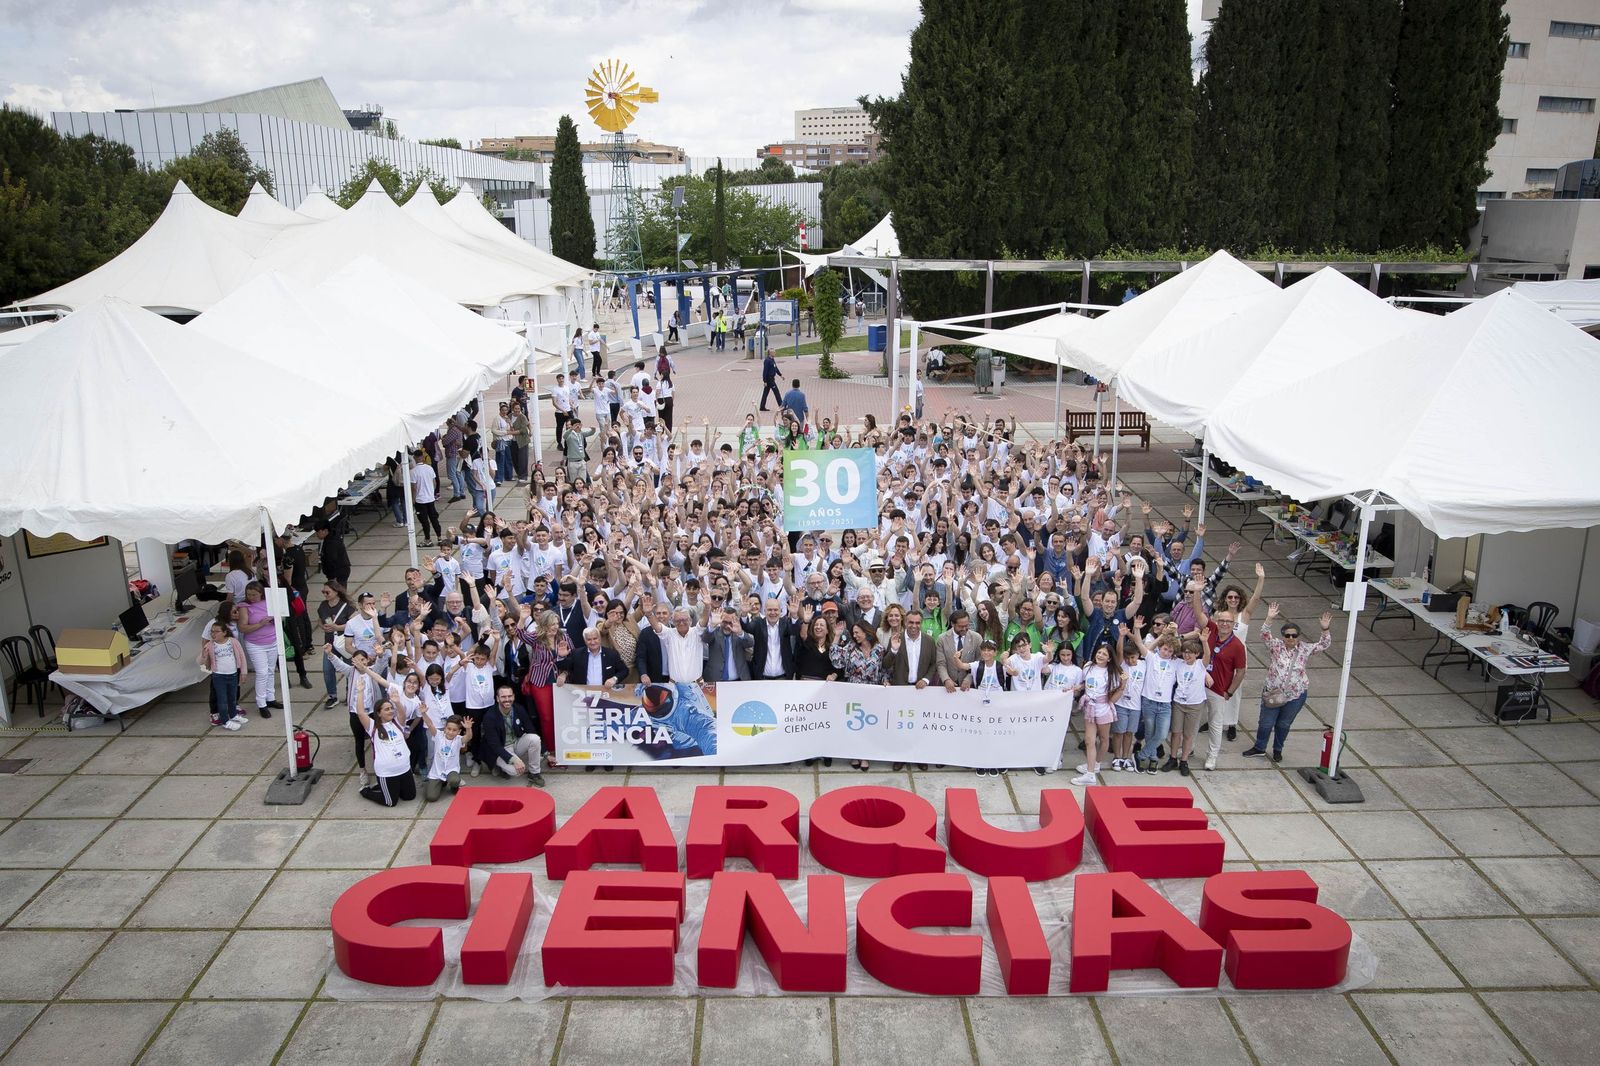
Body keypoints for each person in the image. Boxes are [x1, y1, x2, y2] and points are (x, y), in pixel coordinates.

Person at [1244, 605, 1334, 762]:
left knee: (1283, 725)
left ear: (1299, 636)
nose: (1291, 638)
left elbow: (1324, 644)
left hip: (1295, 695)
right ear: (1283, 636)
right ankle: (1259, 747)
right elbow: (1264, 635)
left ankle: (1277, 750)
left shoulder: (1305, 649)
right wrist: (1269, 618)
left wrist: (1325, 629)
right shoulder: (1276, 646)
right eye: (1287, 635)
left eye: (1294, 635)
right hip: (1273, 692)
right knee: (1266, 723)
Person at [1202, 608, 1247, 771]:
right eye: (1221, 620)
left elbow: (1241, 671)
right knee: (1193, 723)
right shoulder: (1212, 631)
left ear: (1233, 624)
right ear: (1217, 621)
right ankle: (1188, 749)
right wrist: (1198, 592)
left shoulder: (1237, 646)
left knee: (1215, 724)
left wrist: (1230, 691)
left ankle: (1212, 756)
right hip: (1199, 686)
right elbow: (1199, 613)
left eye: (1228, 621)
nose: (1224, 624)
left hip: (1219, 689)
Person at [1075, 643, 1123, 786]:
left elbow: (1112, 699)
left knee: (1103, 739)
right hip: (1089, 708)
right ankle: (1090, 773)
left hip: (1103, 709)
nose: (1100, 656)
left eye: (1104, 654)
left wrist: (1122, 687)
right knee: (1089, 740)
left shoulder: (1111, 673)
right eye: (1099, 652)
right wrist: (1078, 687)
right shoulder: (1088, 666)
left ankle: (1096, 764)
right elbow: (1086, 684)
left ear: (1109, 659)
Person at [357, 697, 418, 807]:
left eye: (391, 708)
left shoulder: (398, 723)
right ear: (378, 713)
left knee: (410, 796)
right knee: (390, 802)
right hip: (387, 772)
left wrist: (397, 701)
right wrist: (360, 691)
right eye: (386, 709)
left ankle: (386, 787)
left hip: (404, 769)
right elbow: (361, 713)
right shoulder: (373, 726)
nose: (390, 711)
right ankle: (366, 792)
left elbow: (402, 713)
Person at [233, 582, 280, 719]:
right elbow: (242, 628)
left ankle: (270, 698)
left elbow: (280, 616)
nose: (251, 597)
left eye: (254, 594)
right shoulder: (244, 607)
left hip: (272, 640)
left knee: (271, 670)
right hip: (255, 644)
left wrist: (274, 620)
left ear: (261, 593)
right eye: (249, 595)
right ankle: (261, 703)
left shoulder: (268, 602)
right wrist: (260, 624)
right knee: (262, 672)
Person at [199, 620, 248, 730]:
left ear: (225, 632)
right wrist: (204, 654)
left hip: (233, 674)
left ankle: (234, 714)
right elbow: (201, 661)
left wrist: (243, 672)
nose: (213, 634)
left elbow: (242, 657)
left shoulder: (233, 642)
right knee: (222, 699)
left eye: (217, 631)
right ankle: (225, 721)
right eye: (212, 632)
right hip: (219, 676)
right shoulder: (210, 645)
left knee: (232, 697)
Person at [422, 714, 470, 802]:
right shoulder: (438, 736)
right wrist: (424, 713)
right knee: (431, 797)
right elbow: (429, 724)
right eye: (449, 729)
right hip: (437, 771)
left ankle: (454, 786)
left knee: (454, 780)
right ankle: (440, 783)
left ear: (459, 731)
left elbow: (468, 737)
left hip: (451, 770)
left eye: (454, 730)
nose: (451, 732)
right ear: (445, 728)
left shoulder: (458, 739)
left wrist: (468, 728)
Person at [410, 448, 442, 545]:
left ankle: (428, 539)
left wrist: (413, 499)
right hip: (430, 498)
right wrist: (431, 492)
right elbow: (434, 482)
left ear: (415, 458)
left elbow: (414, 487)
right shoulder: (429, 468)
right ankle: (439, 537)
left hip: (420, 500)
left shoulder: (413, 471)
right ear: (423, 457)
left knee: (424, 521)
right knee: (434, 518)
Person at [562, 416, 594, 484]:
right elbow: (564, 436)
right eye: (576, 425)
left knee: (583, 481)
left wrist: (593, 430)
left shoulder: (581, 433)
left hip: (582, 461)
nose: (578, 427)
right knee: (574, 482)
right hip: (573, 462)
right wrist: (571, 429)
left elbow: (589, 433)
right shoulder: (569, 434)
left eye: (579, 425)